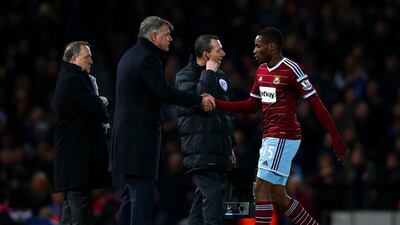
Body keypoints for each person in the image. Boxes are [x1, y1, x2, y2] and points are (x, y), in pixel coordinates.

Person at [215, 27, 350, 225]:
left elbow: (317, 106)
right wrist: (218, 104)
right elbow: (252, 106)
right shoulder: (261, 71)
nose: (254, 50)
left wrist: (336, 139)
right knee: (278, 195)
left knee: (260, 188)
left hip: (284, 136)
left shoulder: (291, 69)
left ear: (272, 46)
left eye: (258, 46)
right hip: (269, 137)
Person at [109, 16, 215, 225]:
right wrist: (196, 99)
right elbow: (162, 91)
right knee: (142, 195)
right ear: (154, 36)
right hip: (139, 139)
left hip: (126, 139)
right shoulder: (148, 58)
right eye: (167, 35)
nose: (171, 39)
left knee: (130, 195)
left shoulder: (129, 55)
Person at [175, 35, 236, 225]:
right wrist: (208, 73)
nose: (223, 54)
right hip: (200, 149)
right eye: (219, 50)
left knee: (202, 202)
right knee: (214, 201)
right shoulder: (184, 76)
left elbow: (225, 114)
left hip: (219, 149)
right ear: (205, 54)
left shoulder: (222, 76)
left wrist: (230, 146)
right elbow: (199, 102)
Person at [53, 41, 112, 225]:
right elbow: (99, 110)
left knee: (72, 209)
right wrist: (101, 101)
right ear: (74, 59)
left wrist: (100, 101)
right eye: (87, 57)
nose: (92, 61)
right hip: (76, 158)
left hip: (75, 157)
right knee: (80, 211)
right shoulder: (73, 80)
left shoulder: (71, 77)